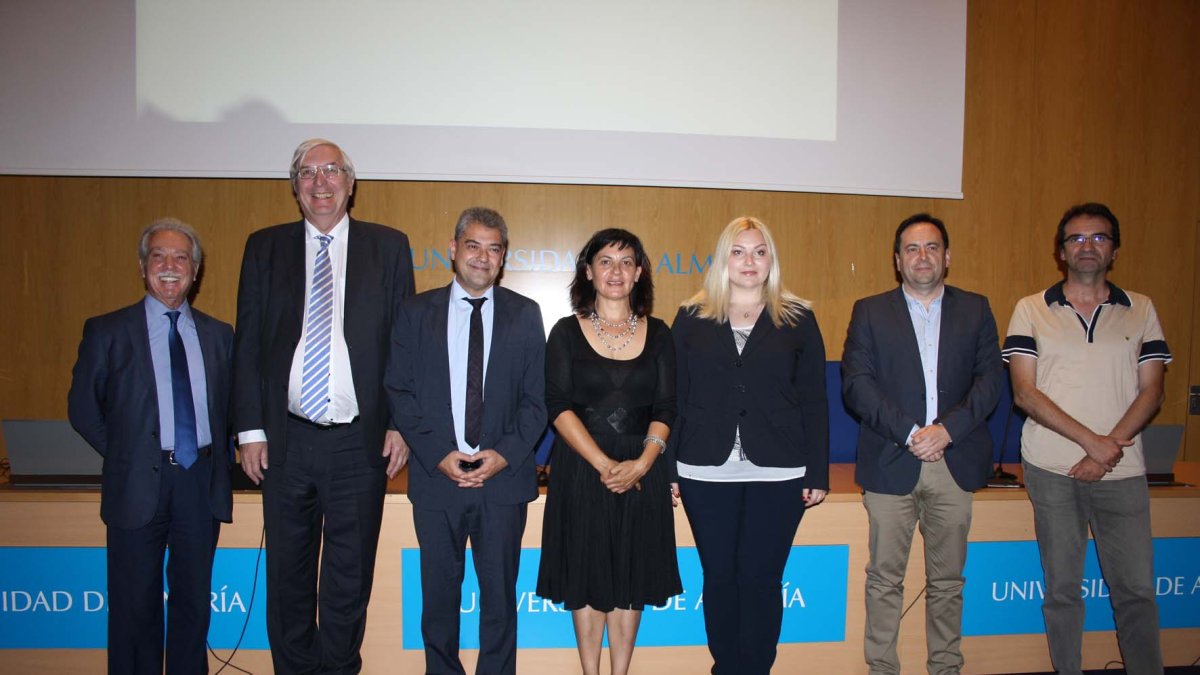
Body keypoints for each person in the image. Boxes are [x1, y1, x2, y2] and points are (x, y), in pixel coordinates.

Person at [232, 138, 414, 673]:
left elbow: (405, 346)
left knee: (348, 580)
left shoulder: (389, 246)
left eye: (331, 170)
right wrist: (248, 431)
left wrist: (401, 423)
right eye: (307, 173)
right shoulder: (264, 247)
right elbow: (248, 343)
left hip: (360, 444)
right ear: (295, 187)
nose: (320, 182)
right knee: (287, 578)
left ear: (350, 183)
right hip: (285, 442)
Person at [1003, 202, 1169, 675]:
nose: (1088, 246)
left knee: (1136, 591)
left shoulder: (1141, 310)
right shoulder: (1032, 309)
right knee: (1062, 592)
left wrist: (1108, 447)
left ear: (1115, 249)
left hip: (1123, 472)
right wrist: (1092, 443)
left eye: (1099, 237)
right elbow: (1024, 392)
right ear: (1061, 251)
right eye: (1076, 238)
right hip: (1052, 470)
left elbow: (1153, 391)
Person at [68, 218, 233, 674]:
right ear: (143, 267)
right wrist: (128, 454)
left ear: (195, 270)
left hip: (198, 483)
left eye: (181, 257)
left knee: (193, 604)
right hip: (137, 482)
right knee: (133, 606)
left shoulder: (220, 336)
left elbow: (230, 411)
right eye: (158, 256)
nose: (170, 266)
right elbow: (83, 410)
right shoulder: (107, 331)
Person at [386, 207, 547, 675]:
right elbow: (399, 390)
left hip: (503, 484)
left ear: (503, 258)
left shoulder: (525, 314)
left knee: (500, 603)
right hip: (437, 483)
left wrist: (505, 455)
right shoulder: (415, 312)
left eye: (494, 248)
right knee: (438, 601)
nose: (482, 257)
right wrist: (437, 455)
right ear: (453, 250)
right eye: (473, 245)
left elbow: (537, 400)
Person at [842, 213, 1004, 675]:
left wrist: (947, 431)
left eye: (932, 247)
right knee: (884, 580)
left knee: (948, 582)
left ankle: (946, 668)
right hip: (892, 460)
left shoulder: (976, 309)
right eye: (912, 249)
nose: (922, 256)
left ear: (947, 256)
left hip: (955, 460)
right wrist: (913, 433)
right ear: (897, 261)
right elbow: (857, 384)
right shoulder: (870, 311)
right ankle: (882, 669)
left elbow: (991, 380)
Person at [668, 216, 827, 675]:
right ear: (723, 259)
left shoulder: (797, 318)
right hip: (703, 470)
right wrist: (669, 469)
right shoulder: (691, 317)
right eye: (738, 251)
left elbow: (815, 400)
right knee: (719, 579)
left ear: (771, 260)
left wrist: (817, 472)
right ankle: (726, 668)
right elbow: (673, 398)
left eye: (759, 251)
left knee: (760, 580)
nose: (749, 261)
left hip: (778, 473)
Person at [537, 228, 681, 675]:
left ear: (639, 273)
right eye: (605, 261)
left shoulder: (659, 333)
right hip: (582, 470)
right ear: (588, 270)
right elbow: (557, 405)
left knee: (631, 579)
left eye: (625, 262)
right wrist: (604, 464)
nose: (615, 271)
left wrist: (641, 464)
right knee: (587, 575)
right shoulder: (564, 332)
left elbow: (667, 405)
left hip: (644, 471)